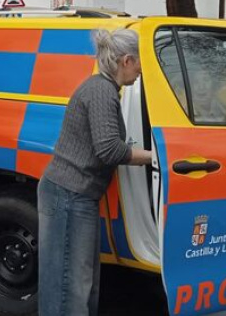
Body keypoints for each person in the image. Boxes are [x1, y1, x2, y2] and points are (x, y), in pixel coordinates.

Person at [38, 28, 153, 316]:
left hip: (73, 196)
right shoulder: (102, 91)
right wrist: (155, 157)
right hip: (69, 197)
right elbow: (109, 150)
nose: (140, 72)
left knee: (78, 280)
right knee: (69, 286)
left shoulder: (101, 87)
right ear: (126, 60)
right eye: (140, 64)